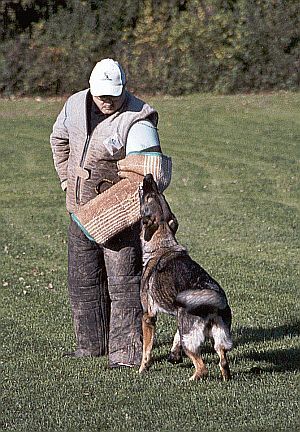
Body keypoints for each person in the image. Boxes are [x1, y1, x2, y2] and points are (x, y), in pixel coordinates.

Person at [50, 58, 170, 367]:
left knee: (125, 284)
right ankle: (91, 346)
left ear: (124, 89)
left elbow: (150, 175)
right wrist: (66, 180)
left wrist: (113, 208)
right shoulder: (75, 105)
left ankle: (125, 354)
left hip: (118, 220)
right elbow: (59, 139)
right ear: (91, 89)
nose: (107, 101)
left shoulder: (136, 119)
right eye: (102, 94)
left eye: (114, 95)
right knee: (83, 282)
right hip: (79, 212)